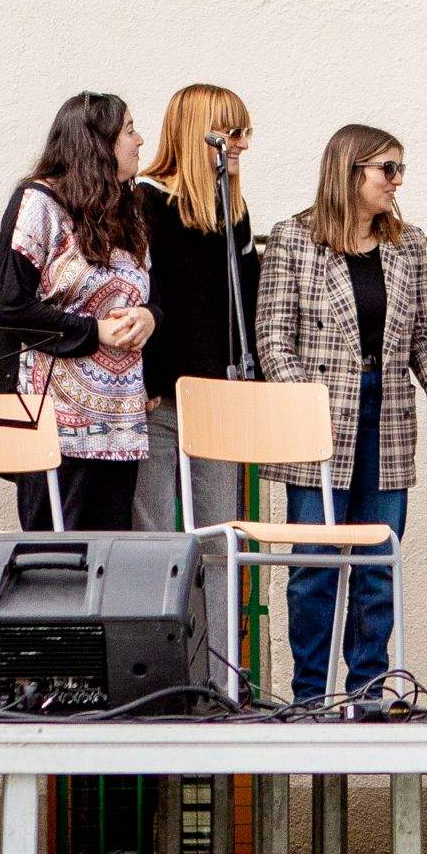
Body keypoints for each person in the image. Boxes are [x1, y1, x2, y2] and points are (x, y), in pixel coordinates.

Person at [259, 125, 427, 708]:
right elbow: (274, 341)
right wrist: (305, 406)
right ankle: (309, 698)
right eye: (388, 169)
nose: (398, 181)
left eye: (400, 169)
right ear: (351, 173)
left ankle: (370, 692)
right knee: (315, 567)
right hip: (319, 422)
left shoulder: (408, 243)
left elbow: (423, 334)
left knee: (378, 563)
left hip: (388, 413)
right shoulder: (293, 239)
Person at [0, 93, 161, 533]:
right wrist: (94, 331)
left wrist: (150, 317)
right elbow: (11, 306)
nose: (139, 140)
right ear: (97, 143)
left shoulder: (129, 210)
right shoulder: (38, 203)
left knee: (108, 564)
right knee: (52, 560)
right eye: (128, 130)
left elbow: (149, 294)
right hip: (50, 417)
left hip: (120, 419)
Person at [137, 85, 265, 537]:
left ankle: (215, 613)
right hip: (157, 398)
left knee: (219, 535)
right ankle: (158, 613)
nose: (243, 144)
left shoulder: (233, 211)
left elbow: (247, 301)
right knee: (151, 534)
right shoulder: (144, 202)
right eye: (232, 133)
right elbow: (135, 297)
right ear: (199, 133)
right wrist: (145, 376)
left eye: (245, 132)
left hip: (216, 396)